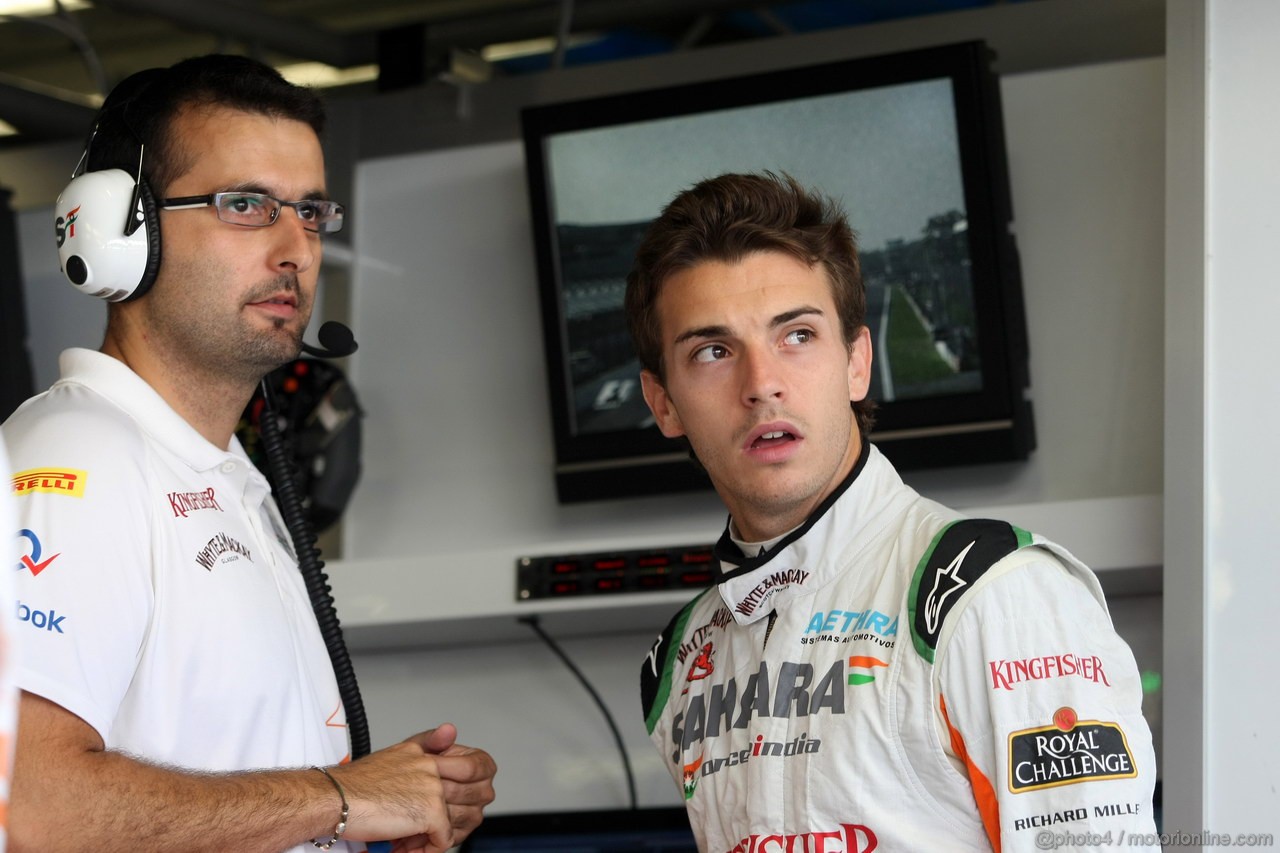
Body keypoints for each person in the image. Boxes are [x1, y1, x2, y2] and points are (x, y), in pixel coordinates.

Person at [2, 55, 495, 852]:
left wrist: (389, 797)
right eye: (246, 205)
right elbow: (31, 805)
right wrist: (340, 797)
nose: (297, 248)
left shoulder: (224, 478)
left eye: (310, 211)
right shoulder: (74, 462)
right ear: (117, 226)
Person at [632, 172, 1157, 852]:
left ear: (857, 362)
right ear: (662, 402)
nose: (761, 383)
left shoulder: (992, 595)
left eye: (796, 335)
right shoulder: (683, 656)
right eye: (713, 351)